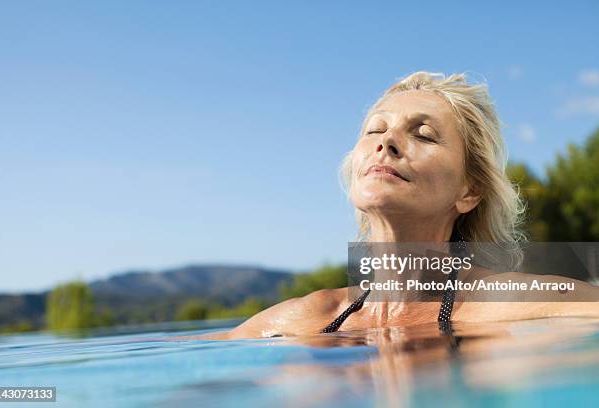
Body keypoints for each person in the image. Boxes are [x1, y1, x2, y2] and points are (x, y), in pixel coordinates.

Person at [201, 72, 599, 340]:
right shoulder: (304, 320)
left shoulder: (515, 304)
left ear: (469, 190)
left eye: (423, 135)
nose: (385, 142)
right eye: (375, 129)